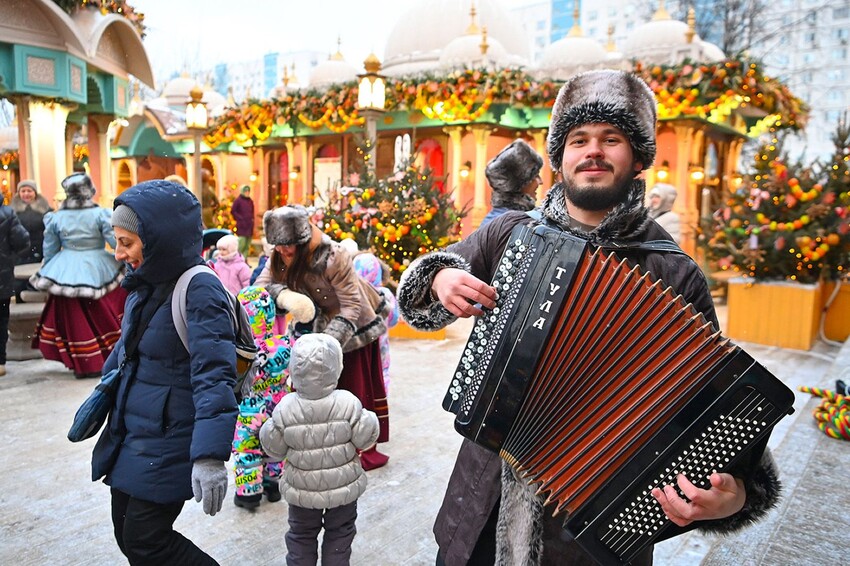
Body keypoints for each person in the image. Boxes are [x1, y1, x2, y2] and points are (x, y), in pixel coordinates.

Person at [397, 70, 781, 565]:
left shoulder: (674, 273)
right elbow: (420, 296)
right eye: (578, 139)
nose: (593, 151)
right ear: (559, 158)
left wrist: (738, 495)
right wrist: (437, 278)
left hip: (593, 523)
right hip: (480, 512)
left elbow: (712, 409)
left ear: (638, 157)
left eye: (611, 139)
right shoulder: (510, 234)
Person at [91, 179, 238, 564]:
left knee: (146, 540)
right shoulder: (146, 282)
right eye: (116, 240)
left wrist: (208, 456)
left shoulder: (199, 289)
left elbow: (214, 376)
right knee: (128, 537)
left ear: (159, 239)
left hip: (170, 438)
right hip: (134, 432)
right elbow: (131, 352)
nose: (119, 253)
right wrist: (101, 397)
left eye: (128, 242)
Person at [254, 205, 392, 471]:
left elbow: (352, 304)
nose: (282, 252)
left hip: (353, 324)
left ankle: (356, 445)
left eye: (288, 246)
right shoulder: (279, 254)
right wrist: (283, 295)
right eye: (278, 246)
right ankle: (314, 442)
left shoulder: (333, 255)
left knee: (351, 390)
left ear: (303, 241)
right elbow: (259, 287)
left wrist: (327, 346)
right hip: (316, 323)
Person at [259, 333, 380, 565]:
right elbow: (365, 439)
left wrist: (268, 428)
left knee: (301, 535)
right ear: (337, 368)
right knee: (340, 533)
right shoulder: (348, 402)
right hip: (342, 489)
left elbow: (274, 448)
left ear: (294, 369)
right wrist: (370, 420)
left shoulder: (286, 407)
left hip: (302, 491)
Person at [31, 173, 126, 379]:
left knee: (73, 318)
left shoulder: (57, 217)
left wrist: (49, 268)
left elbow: (50, 248)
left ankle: (82, 361)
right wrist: (124, 258)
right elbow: (114, 240)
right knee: (103, 311)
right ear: (90, 191)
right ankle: (104, 356)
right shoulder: (101, 214)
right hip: (98, 266)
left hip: (65, 267)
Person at [231, 285, 311, 510]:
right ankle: (272, 484)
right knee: (274, 446)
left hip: (247, 412)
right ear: (268, 315)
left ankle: (248, 494)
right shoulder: (284, 345)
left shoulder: (237, 350)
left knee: (247, 449)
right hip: (277, 408)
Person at [353, 252, 399, 394]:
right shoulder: (385, 294)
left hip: (358, 350)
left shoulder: (351, 294)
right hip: (381, 348)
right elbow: (393, 320)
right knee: (381, 376)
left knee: (360, 380)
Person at [479, 139, 544, 228]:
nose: (540, 182)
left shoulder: (504, 219)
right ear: (520, 183)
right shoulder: (511, 224)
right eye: (535, 175)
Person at [0, 199, 30, 377]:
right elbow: (22, 241)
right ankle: (0, 362)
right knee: (1, 320)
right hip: (2, 276)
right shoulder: (7, 213)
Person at [231, 185, 256, 259]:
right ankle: (237, 259)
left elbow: (252, 212)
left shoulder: (250, 201)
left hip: (249, 226)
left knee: (247, 245)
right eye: (245, 191)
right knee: (241, 244)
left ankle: (244, 260)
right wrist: (240, 218)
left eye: (248, 191)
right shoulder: (238, 200)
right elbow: (233, 211)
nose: (247, 192)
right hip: (242, 226)